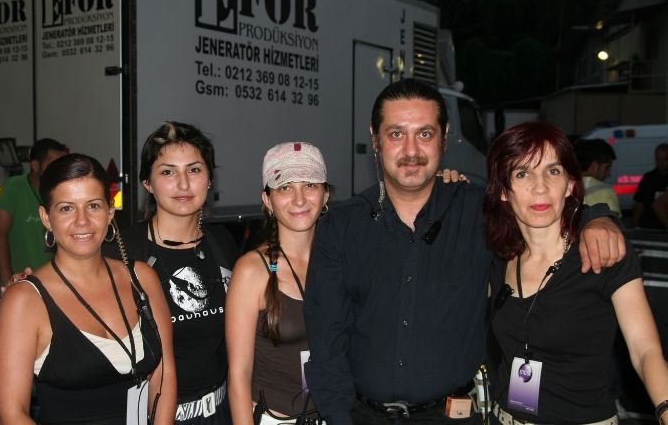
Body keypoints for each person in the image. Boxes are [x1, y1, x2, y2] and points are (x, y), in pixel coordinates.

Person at [303, 78, 626, 425]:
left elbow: (541, 209)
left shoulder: (481, 213)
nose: (411, 150)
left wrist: (595, 218)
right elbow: (327, 342)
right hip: (360, 417)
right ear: (375, 138)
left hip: (454, 416)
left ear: (444, 137)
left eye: (424, 134)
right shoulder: (340, 226)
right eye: (396, 134)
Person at [484, 121, 668, 424]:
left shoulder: (604, 254)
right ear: (503, 191)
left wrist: (664, 407)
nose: (540, 186)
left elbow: (645, 350)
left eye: (553, 171)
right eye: (522, 173)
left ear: (570, 184)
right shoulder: (497, 257)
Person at [0, 153, 176, 424]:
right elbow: (11, 414)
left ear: (110, 212)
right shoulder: (25, 300)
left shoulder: (141, 278)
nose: (82, 221)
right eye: (67, 208)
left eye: (93, 206)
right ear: (46, 217)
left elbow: (164, 373)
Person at [107, 121, 239, 424]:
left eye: (194, 170)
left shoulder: (223, 244)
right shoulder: (121, 251)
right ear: (147, 183)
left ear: (209, 179)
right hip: (150, 415)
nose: (183, 184)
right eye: (168, 172)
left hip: (220, 413)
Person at [226, 142, 329, 425]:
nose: (299, 199)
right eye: (285, 188)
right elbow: (238, 375)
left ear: (325, 194)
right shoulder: (252, 271)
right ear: (268, 200)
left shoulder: (339, 261)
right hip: (275, 419)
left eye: (310, 185)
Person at [0, 138, 67, 286]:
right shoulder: (14, 187)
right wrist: (7, 281)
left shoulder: (61, 190)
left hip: (56, 280)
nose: (59, 170)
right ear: (35, 165)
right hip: (23, 280)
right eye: (53, 165)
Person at [574, 138, 620, 217]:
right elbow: (612, 222)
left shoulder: (563, 187)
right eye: (607, 168)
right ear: (594, 166)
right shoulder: (606, 191)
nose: (608, 174)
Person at [630, 143, 668, 229]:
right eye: (658, 159)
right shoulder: (649, 178)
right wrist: (632, 226)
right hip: (650, 226)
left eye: (665, 159)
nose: (661, 163)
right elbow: (640, 204)